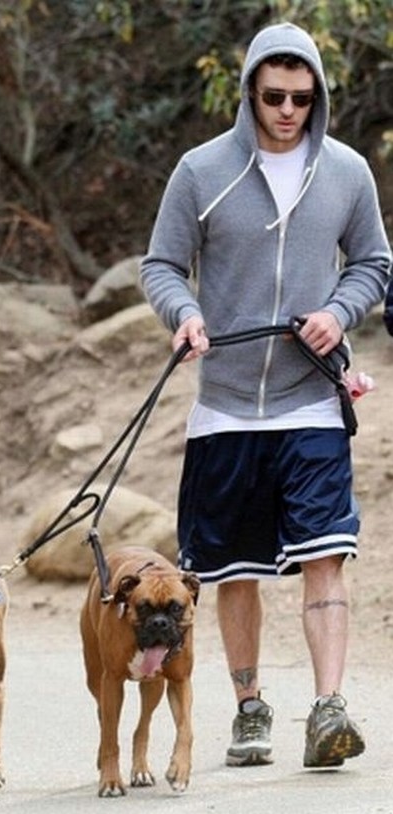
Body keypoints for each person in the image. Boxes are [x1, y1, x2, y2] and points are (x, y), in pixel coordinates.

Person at [140, 21, 392, 769]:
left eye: (303, 99)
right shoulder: (200, 170)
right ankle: (250, 710)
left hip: (311, 398)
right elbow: (160, 265)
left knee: (326, 557)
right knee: (234, 568)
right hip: (223, 405)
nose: (288, 111)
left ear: (318, 98)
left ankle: (328, 710)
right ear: (249, 92)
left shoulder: (347, 172)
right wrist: (185, 315)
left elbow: (374, 263)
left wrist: (338, 313)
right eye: (275, 96)